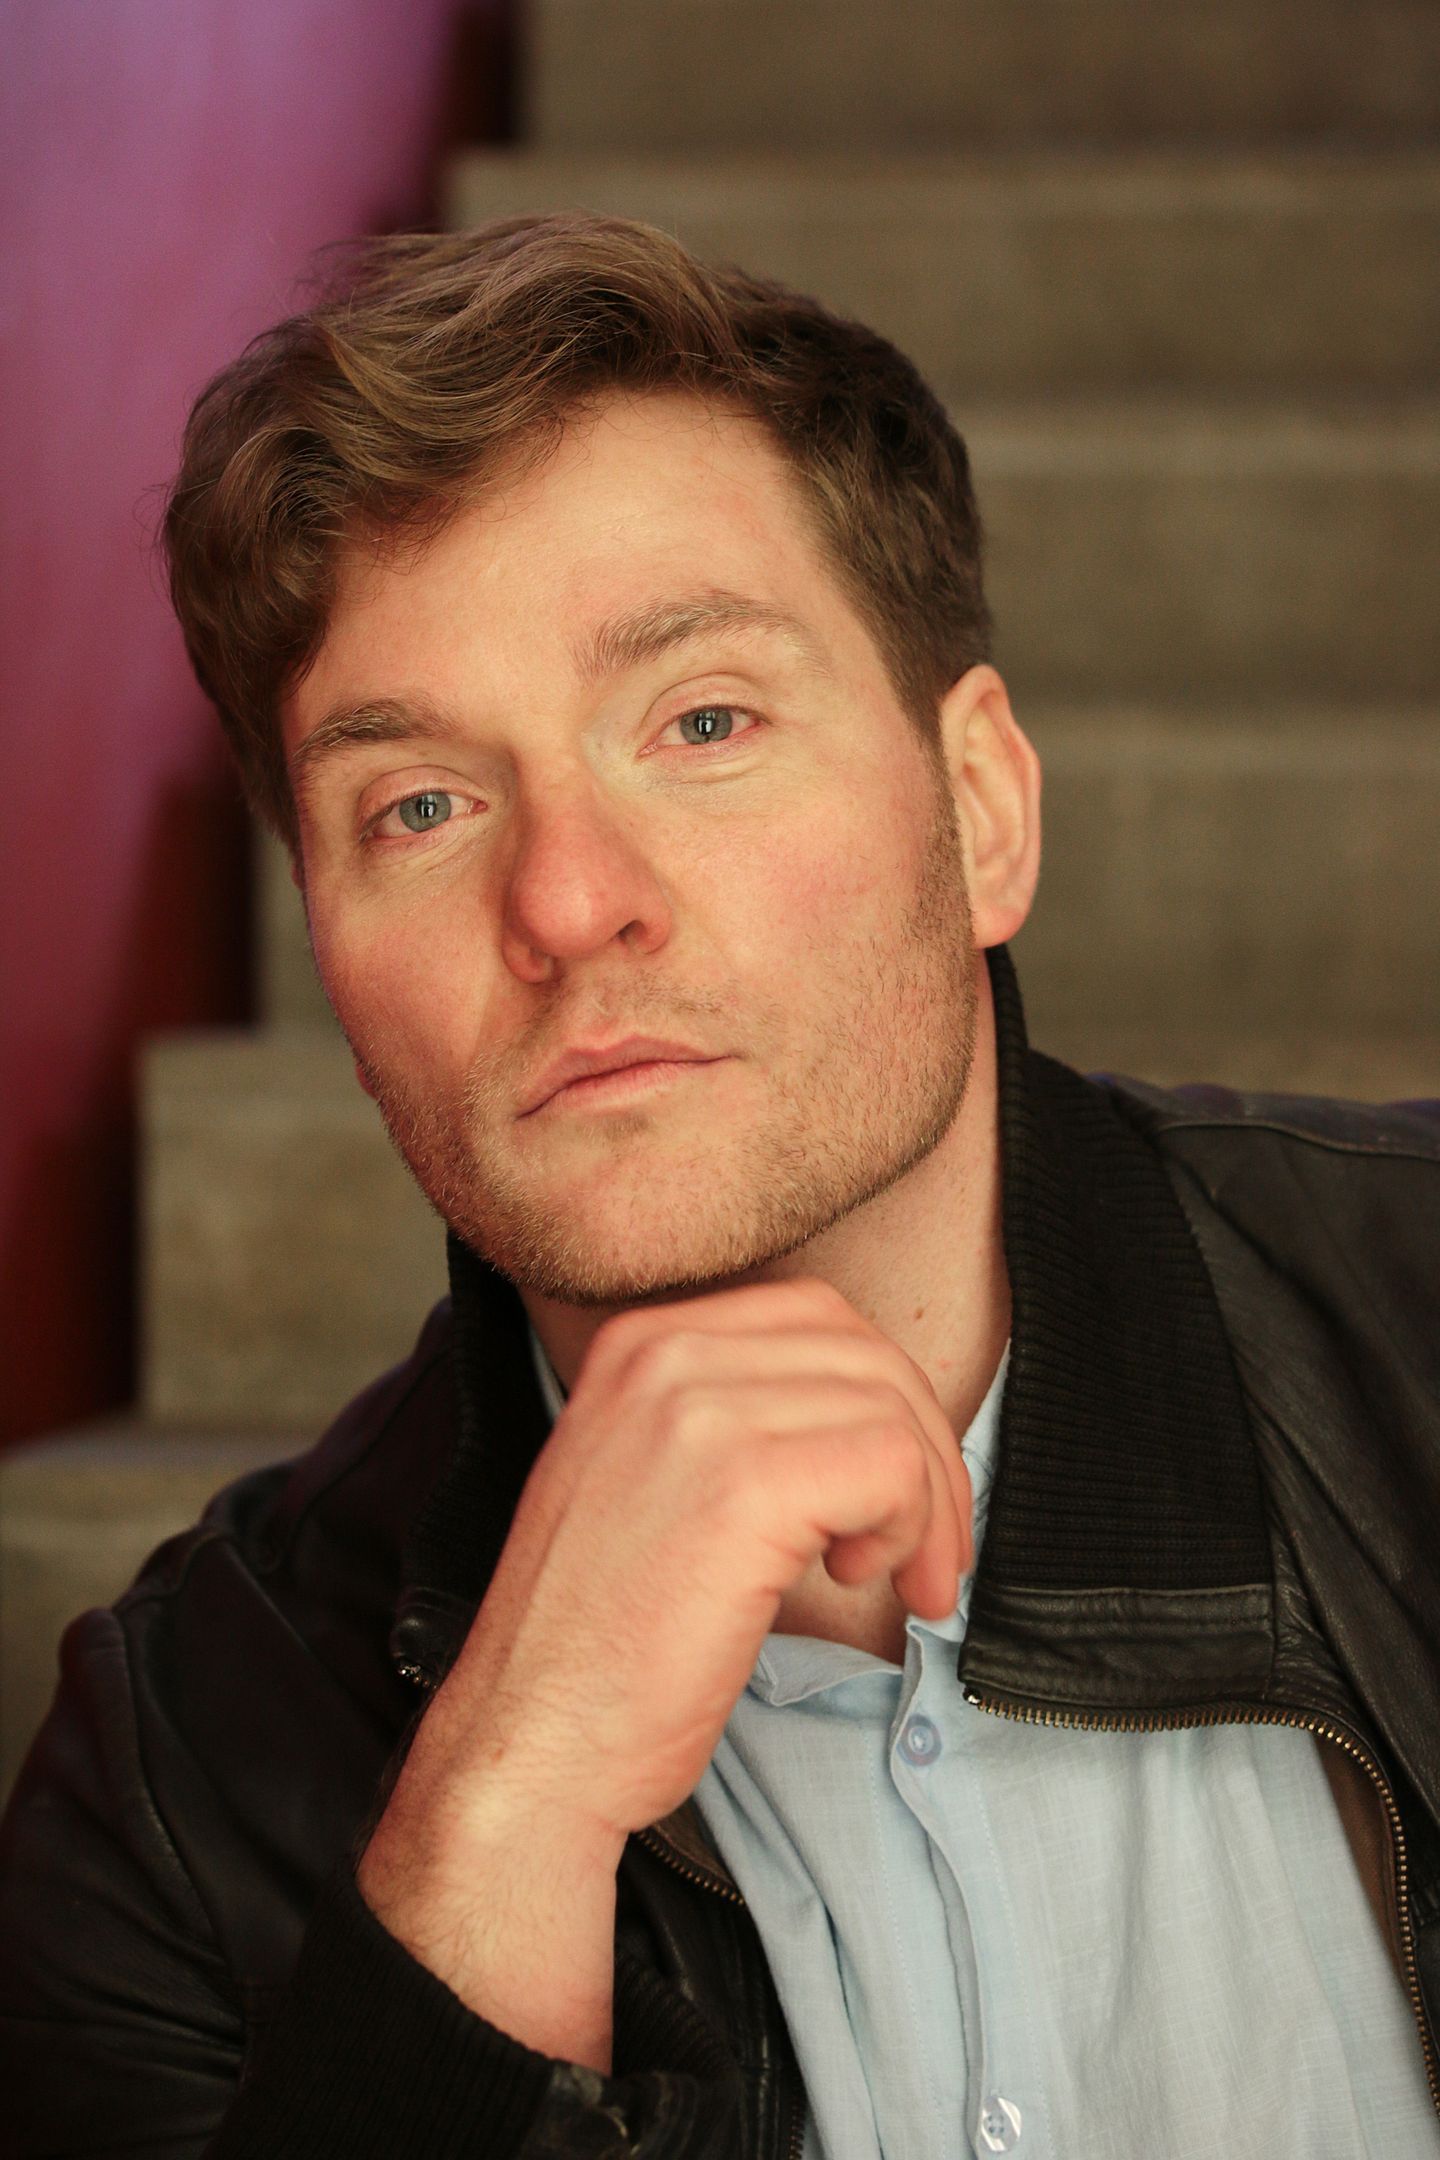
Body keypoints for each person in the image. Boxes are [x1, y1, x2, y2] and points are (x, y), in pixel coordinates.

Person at [2, 210, 1439, 2160]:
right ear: (328, 950)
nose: (567, 898)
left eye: (702, 721)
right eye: (419, 805)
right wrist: (501, 1810)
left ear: (982, 810)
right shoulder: (169, 1786)